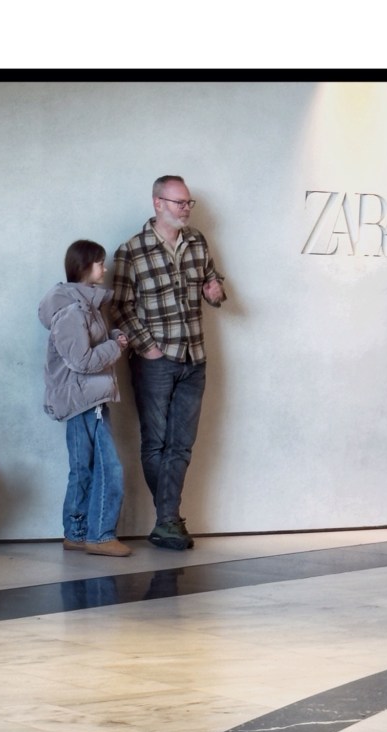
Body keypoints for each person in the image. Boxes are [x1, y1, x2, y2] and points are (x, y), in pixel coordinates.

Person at [112, 175, 226, 550]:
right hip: (156, 362)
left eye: (188, 203)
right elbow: (120, 308)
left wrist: (215, 291)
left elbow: (211, 281)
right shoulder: (132, 251)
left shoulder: (197, 242)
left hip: (196, 356)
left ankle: (166, 521)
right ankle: (169, 520)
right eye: (179, 203)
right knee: (156, 443)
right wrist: (148, 348)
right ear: (158, 203)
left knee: (181, 445)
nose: (186, 209)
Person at [38, 239, 132, 557]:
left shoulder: (85, 305)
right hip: (84, 401)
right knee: (109, 468)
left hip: (85, 398)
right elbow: (82, 360)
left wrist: (112, 337)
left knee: (84, 468)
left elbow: (88, 349)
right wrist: (116, 347)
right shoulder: (70, 311)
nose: (105, 268)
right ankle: (101, 535)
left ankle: (77, 534)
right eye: (100, 262)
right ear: (84, 266)